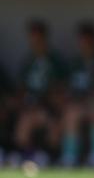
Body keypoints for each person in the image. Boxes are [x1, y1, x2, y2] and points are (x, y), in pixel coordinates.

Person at [13, 20, 68, 165]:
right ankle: (28, 156)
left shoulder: (55, 61)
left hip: (50, 108)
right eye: (33, 37)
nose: (35, 41)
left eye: (39, 37)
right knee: (25, 122)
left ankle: (49, 157)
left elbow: (61, 89)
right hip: (31, 106)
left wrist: (50, 104)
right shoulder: (28, 61)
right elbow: (21, 89)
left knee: (52, 124)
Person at [61, 22, 94, 167]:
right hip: (78, 104)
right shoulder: (75, 63)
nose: (86, 44)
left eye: (89, 41)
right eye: (83, 41)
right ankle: (69, 157)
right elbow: (68, 89)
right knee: (71, 113)